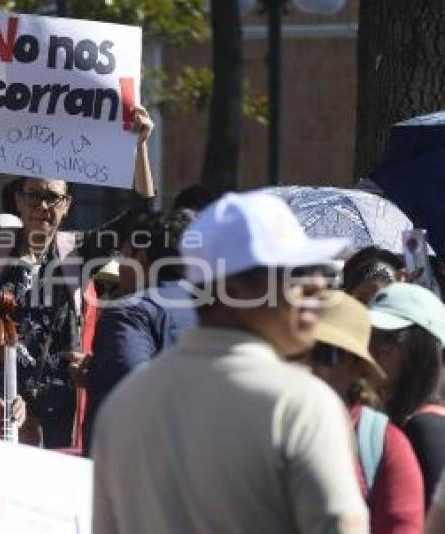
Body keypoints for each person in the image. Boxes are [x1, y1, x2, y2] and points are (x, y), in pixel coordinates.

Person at [92, 191, 368, 533]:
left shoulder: (124, 407)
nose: (315, 285)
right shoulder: (301, 405)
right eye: (294, 272)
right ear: (235, 288)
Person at [0, 106, 157, 448]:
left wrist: (141, 146)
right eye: (33, 195)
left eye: (52, 198)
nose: (42, 206)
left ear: (67, 205)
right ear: (18, 200)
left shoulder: (78, 251)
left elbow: (140, 214)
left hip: (58, 407)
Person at [302, 290, 424, 533]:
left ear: (358, 368)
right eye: (298, 350)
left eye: (325, 353)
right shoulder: (258, 424)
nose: (309, 365)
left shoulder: (385, 445)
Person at [83, 208, 197, 453]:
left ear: (141, 257)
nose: (117, 264)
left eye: (122, 255)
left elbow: (131, 393)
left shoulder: (128, 312)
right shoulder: (216, 310)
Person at [368, 282, 445, 508]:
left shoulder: (426, 428)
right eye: (369, 336)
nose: (372, 349)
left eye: (387, 339)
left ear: (425, 347)